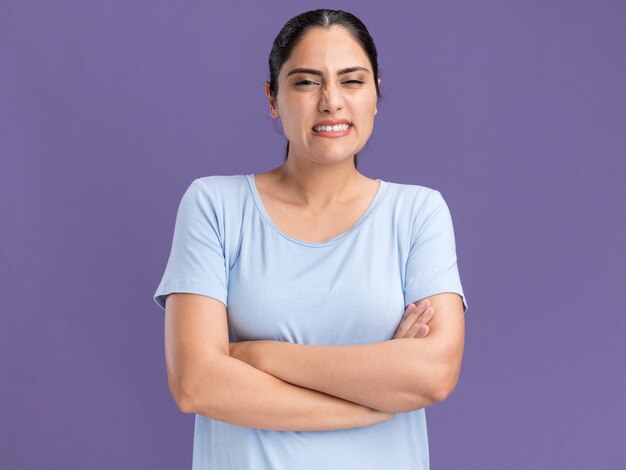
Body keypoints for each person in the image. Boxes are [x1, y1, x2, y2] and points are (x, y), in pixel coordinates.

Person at [153, 8, 468, 470]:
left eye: (352, 81)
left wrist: (257, 355)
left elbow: (434, 376)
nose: (331, 102)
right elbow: (196, 384)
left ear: (376, 94)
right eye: (305, 82)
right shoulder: (215, 206)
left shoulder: (418, 214)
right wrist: (373, 402)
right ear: (273, 99)